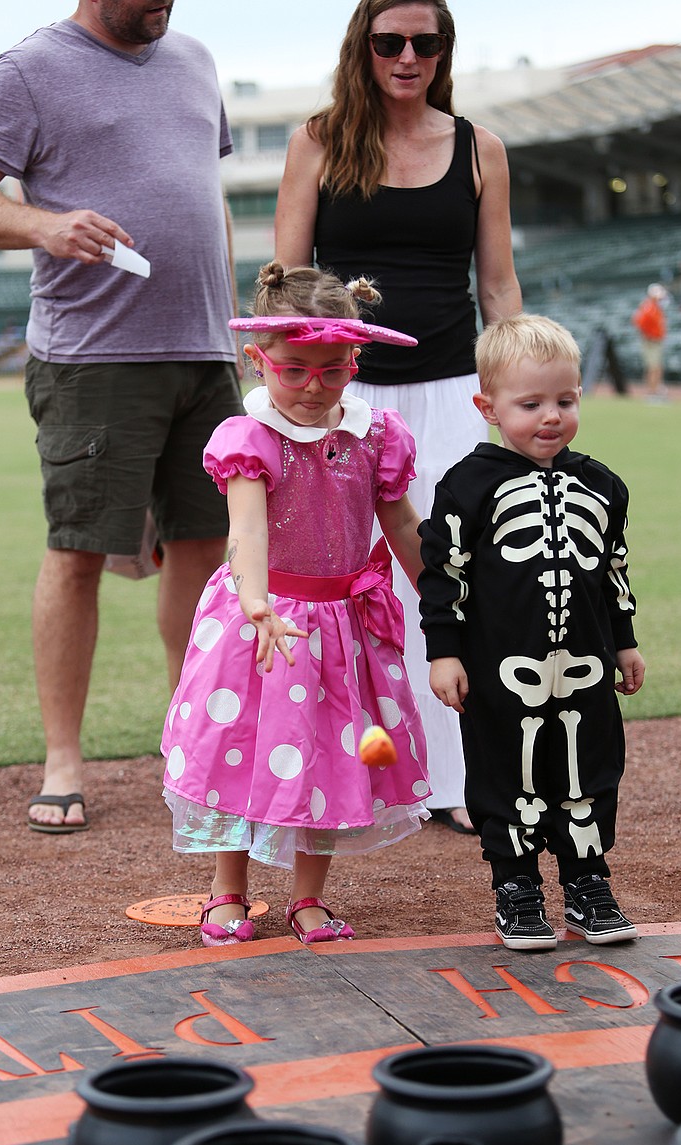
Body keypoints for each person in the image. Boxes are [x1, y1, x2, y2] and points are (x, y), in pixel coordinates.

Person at [0, 1, 243, 832]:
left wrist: (231, 324)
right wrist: (45, 223)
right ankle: (64, 757)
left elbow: (204, 197)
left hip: (206, 353)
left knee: (207, 549)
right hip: (93, 359)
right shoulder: (29, 69)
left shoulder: (196, 60)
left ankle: (192, 738)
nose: (163, 6)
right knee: (76, 553)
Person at [275, 0, 522, 838]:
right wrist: (296, 393)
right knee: (341, 585)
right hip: (345, 400)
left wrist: (513, 391)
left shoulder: (480, 148)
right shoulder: (318, 139)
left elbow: (497, 286)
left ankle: (451, 777)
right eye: (390, 41)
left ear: (444, 49)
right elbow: (288, 275)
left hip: (454, 390)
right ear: (365, 47)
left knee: (449, 578)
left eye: (426, 41)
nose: (408, 55)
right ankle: (342, 772)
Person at [161, 262, 431, 946]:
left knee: (332, 758)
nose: (314, 387)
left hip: (343, 627)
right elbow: (246, 529)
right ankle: (229, 890)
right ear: (260, 363)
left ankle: (309, 898)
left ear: (353, 360)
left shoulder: (377, 436)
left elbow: (401, 526)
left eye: (332, 371)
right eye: (294, 371)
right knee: (241, 753)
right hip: (264, 622)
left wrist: (444, 593)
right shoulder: (250, 439)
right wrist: (255, 601)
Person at [418, 314, 645, 951]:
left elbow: (613, 570)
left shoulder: (602, 484)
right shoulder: (466, 485)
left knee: (590, 771)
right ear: (486, 407)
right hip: (498, 668)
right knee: (504, 773)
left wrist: (624, 639)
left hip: (587, 665)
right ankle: (516, 888)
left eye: (565, 401)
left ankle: (588, 881)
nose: (551, 416)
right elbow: (444, 579)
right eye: (530, 404)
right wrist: (444, 655)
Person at [631, 283, 668, 402]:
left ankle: (655, 390)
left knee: (655, 367)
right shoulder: (649, 307)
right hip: (652, 341)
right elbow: (639, 322)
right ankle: (652, 392)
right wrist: (649, 335)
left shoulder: (654, 307)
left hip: (654, 340)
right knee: (654, 367)